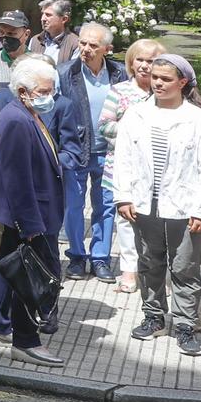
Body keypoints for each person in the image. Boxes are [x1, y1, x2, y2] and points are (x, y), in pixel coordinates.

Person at [114, 55, 201, 357]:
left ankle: (185, 325)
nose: (158, 83)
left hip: (184, 208)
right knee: (149, 263)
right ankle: (154, 317)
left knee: (184, 268)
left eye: (166, 79)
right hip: (143, 205)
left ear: (183, 82)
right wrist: (123, 195)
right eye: (154, 78)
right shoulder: (136, 115)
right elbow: (122, 158)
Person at [0, 56, 69, 366]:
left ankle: (22, 336)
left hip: (32, 215)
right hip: (26, 218)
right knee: (28, 281)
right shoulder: (17, 120)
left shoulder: (27, 113)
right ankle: (27, 340)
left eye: (52, 89)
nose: (50, 96)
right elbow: (18, 179)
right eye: (44, 91)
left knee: (18, 276)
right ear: (22, 91)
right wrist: (30, 226)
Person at [55, 22, 127, 281]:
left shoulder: (120, 74)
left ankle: (101, 258)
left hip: (109, 151)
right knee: (73, 205)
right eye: (82, 43)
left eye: (92, 45)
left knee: (106, 206)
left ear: (107, 49)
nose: (85, 49)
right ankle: (76, 256)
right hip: (75, 150)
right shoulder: (64, 73)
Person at [99, 37, 166, 294]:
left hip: (157, 170)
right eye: (140, 60)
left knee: (157, 220)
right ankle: (129, 270)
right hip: (123, 166)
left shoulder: (165, 92)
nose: (145, 66)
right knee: (126, 220)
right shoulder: (119, 91)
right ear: (131, 62)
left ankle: (157, 272)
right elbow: (104, 125)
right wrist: (134, 131)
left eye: (151, 61)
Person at [28, 0, 80, 65]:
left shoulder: (75, 44)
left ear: (64, 19)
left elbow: (73, 73)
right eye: (42, 14)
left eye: (48, 15)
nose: (43, 19)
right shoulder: (35, 40)